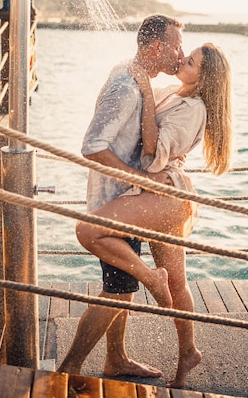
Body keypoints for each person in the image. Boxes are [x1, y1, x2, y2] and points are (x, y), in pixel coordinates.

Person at [75, 42, 233, 388]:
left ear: (203, 78)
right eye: (184, 54)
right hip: (151, 192)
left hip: (165, 192)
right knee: (176, 283)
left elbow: (152, 150)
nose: (182, 59)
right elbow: (131, 104)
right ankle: (187, 350)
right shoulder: (174, 92)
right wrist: (140, 81)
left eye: (190, 61)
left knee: (91, 232)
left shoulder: (193, 108)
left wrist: (145, 91)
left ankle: (149, 278)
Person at [57, 14, 184, 378]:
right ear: (157, 47)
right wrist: (142, 178)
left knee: (121, 287)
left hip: (125, 203)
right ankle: (69, 369)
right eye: (175, 45)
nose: (180, 52)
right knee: (117, 291)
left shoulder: (129, 74)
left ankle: (116, 358)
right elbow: (92, 146)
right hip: (113, 206)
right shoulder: (126, 87)